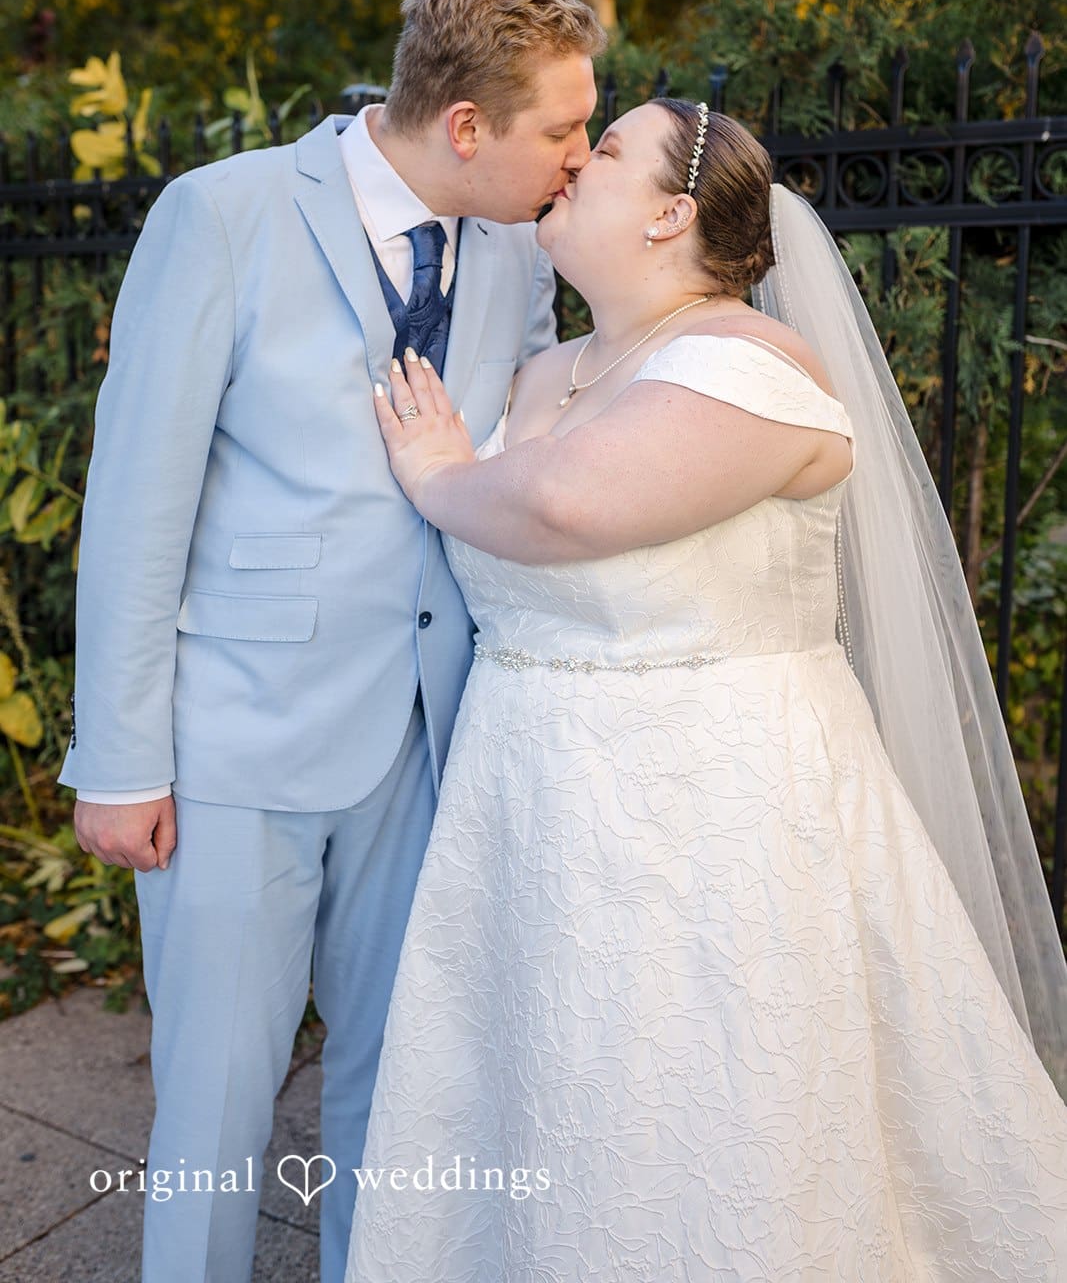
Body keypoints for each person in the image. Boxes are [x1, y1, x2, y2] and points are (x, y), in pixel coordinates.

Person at [347, 99, 1067, 1280]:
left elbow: (561, 508)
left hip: (708, 820)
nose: (573, 161)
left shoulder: (746, 366)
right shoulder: (544, 372)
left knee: (697, 1111)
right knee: (540, 1095)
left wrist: (437, 474)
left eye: (608, 150)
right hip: (526, 812)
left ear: (672, 213)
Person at [59, 0, 604, 1283]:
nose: (581, 160)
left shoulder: (517, 244)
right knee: (215, 1110)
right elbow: (136, 501)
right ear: (464, 125)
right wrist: (120, 758)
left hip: (429, 741)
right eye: (560, 130)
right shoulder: (224, 214)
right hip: (236, 743)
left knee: (401, 1096)